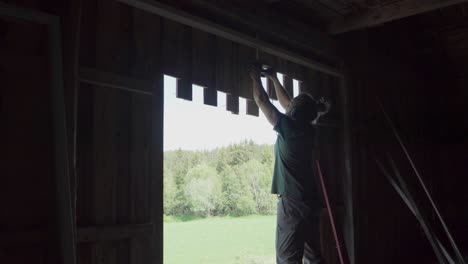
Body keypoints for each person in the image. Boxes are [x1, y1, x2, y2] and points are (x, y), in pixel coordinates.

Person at [248, 65, 330, 264]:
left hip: (292, 204)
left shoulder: (287, 128)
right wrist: (274, 79)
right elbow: (289, 105)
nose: (290, 103)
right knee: (313, 257)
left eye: (293, 103)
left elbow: (261, 100)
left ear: (295, 111)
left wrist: (254, 76)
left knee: (288, 259)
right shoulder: (309, 130)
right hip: (310, 202)